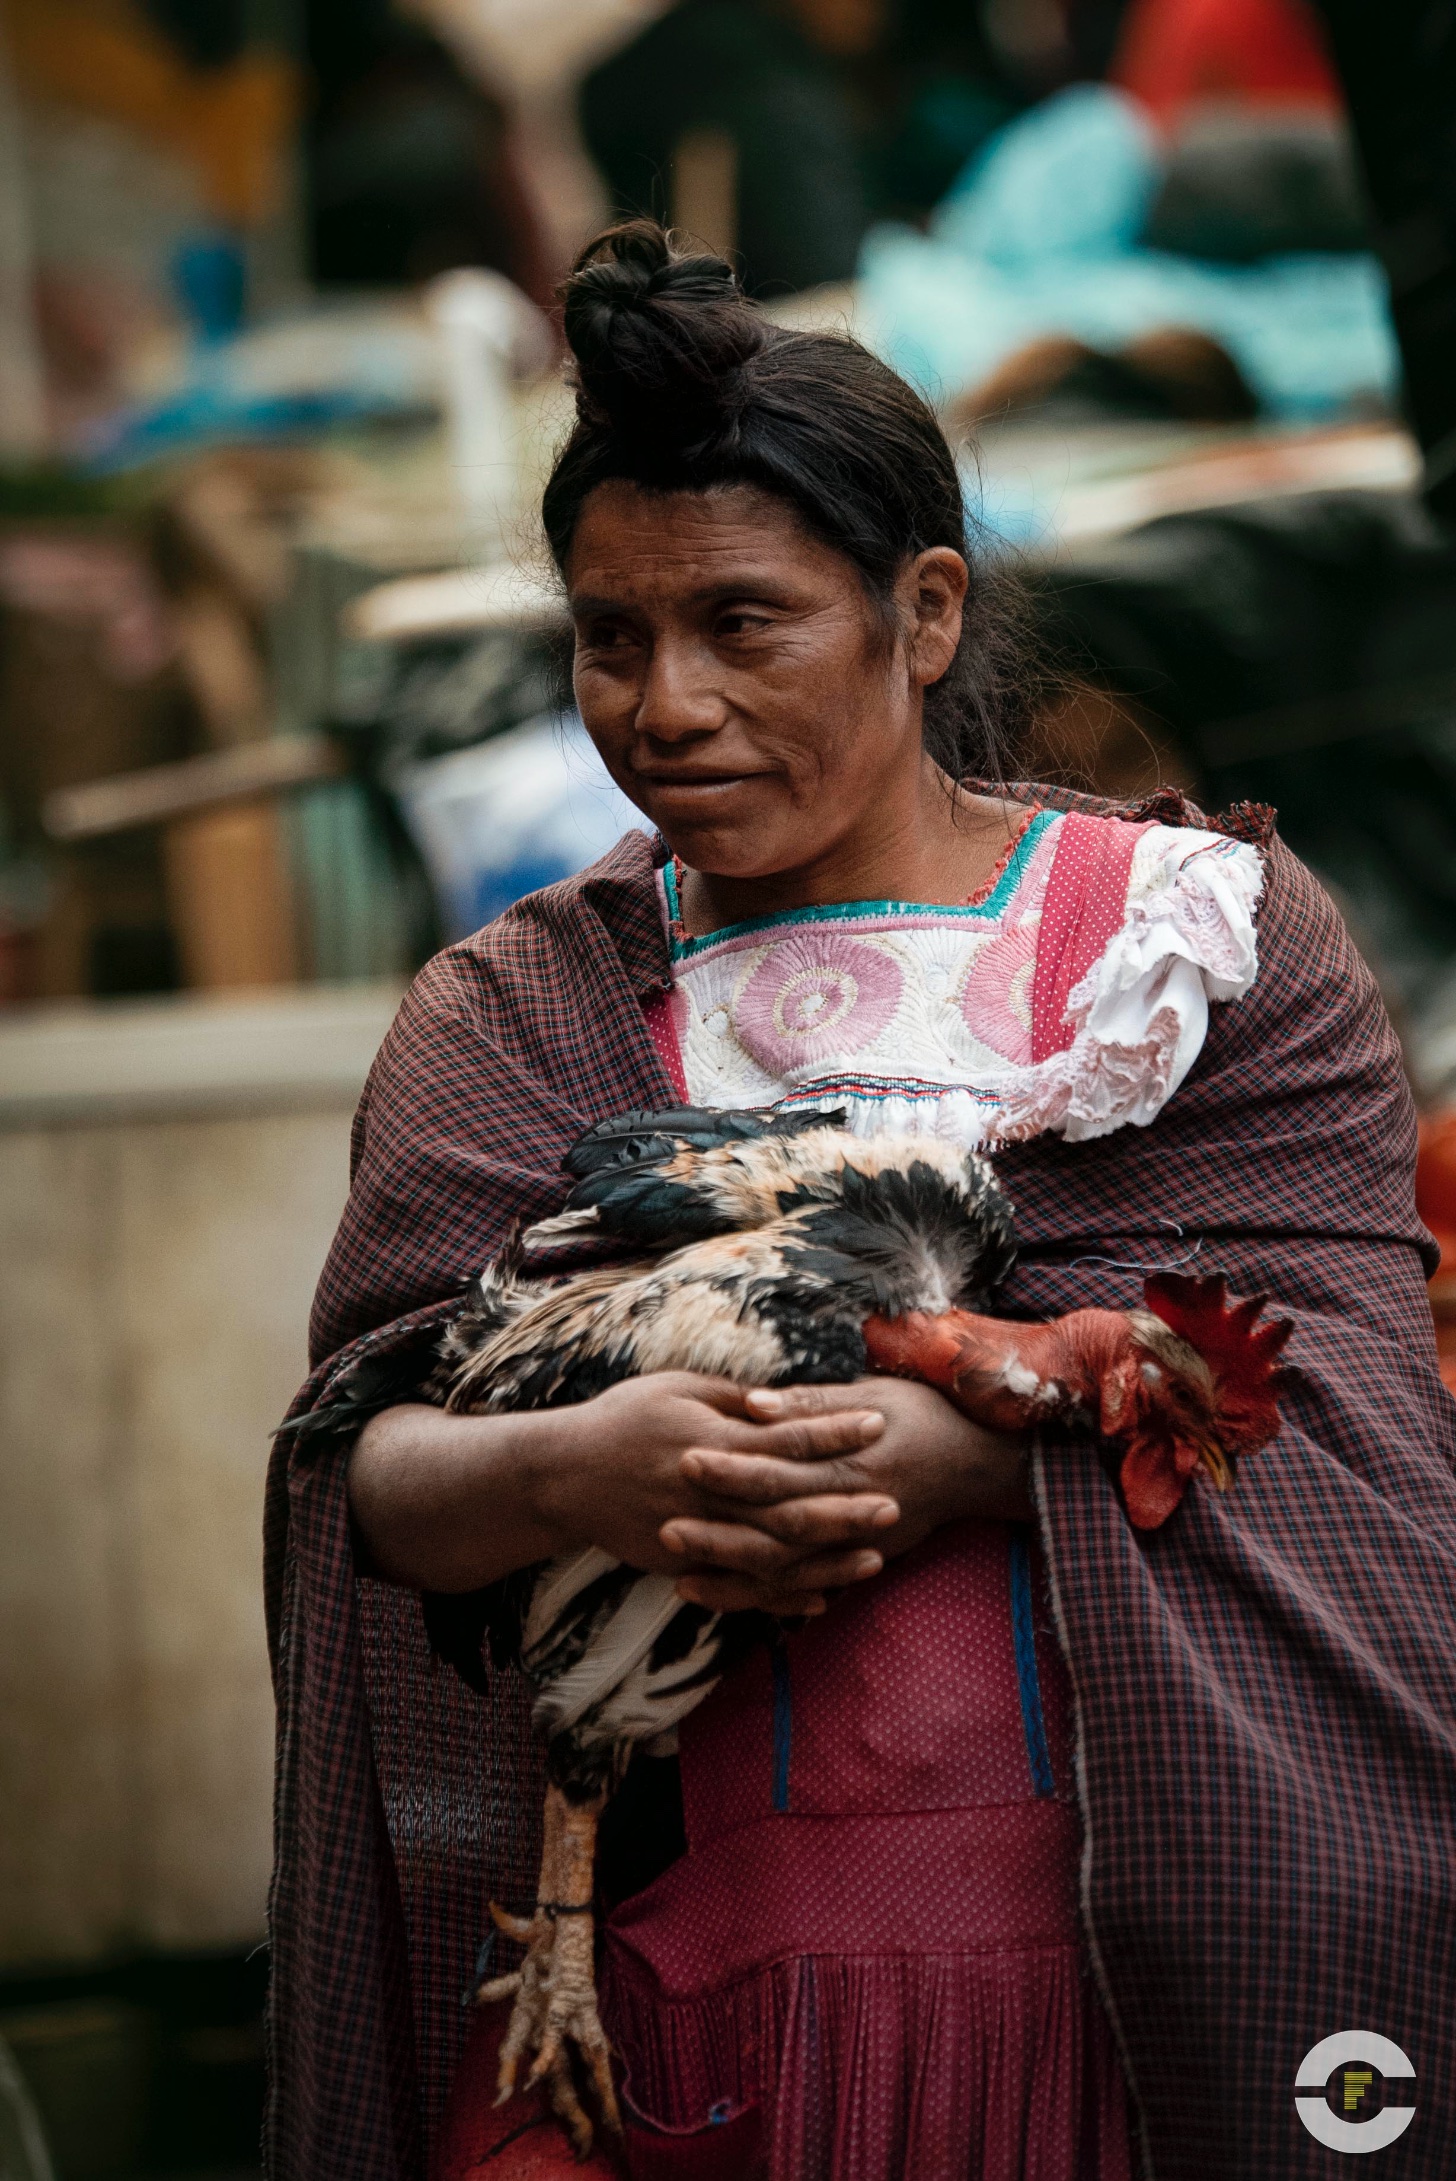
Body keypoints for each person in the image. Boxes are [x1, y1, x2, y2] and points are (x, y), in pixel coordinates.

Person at [265, 222, 1456, 2181]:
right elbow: (357, 1471)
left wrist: (958, 1461)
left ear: (919, 613)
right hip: (675, 2003)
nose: (662, 705)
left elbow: (1347, 1437)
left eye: (743, 623)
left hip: (1126, 1984)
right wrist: (578, 1470)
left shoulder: (1201, 956)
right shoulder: (518, 1014)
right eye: (606, 634)